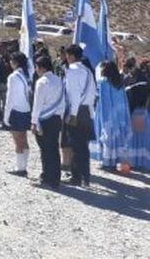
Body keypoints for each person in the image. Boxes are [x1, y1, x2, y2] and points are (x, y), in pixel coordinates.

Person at [62, 43, 96, 187]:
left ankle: (77, 177)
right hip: (87, 110)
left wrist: (73, 114)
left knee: (76, 146)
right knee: (83, 146)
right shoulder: (87, 71)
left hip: (76, 111)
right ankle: (85, 177)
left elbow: (74, 95)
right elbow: (93, 93)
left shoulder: (73, 70)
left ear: (71, 56)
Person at [31, 54, 66, 188]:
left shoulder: (41, 82)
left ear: (41, 68)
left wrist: (34, 122)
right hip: (56, 118)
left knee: (45, 150)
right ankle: (54, 178)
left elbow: (37, 104)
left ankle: (47, 179)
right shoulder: (59, 80)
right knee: (53, 149)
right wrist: (60, 117)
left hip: (44, 120)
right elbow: (62, 101)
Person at [96, 60, 132, 171]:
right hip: (120, 115)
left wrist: (103, 118)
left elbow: (104, 101)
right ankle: (116, 161)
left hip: (108, 115)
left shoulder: (104, 82)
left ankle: (108, 163)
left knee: (107, 139)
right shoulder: (119, 82)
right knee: (118, 140)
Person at [3, 53, 31, 177]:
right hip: (26, 109)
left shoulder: (13, 76)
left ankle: (20, 168)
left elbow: (10, 98)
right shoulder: (26, 75)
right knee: (24, 139)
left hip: (16, 110)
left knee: (17, 141)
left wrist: (6, 115)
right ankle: (23, 166)